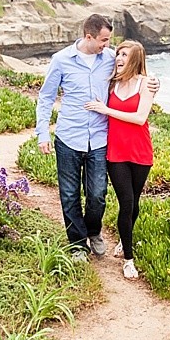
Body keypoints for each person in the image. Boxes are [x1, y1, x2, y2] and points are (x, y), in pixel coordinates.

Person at [35, 15, 158, 260]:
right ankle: (78, 244)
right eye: (103, 40)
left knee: (97, 194)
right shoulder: (60, 60)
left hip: (101, 139)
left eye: (108, 40)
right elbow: (46, 97)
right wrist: (42, 133)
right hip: (69, 137)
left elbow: (134, 67)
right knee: (69, 194)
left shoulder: (111, 57)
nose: (107, 45)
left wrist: (153, 81)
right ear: (89, 37)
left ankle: (93, 231)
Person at [84, 40, 155, 279]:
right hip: (116, 152)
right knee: (126, 202)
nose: (119, 58)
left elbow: (139, 118)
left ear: (135, 59)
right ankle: (128, 260)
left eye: (125, 54)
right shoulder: (112, 83)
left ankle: (124, 240)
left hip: (140, 151)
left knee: (134, 202)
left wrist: (106, 110)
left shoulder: (147, 84)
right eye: (118, 54)